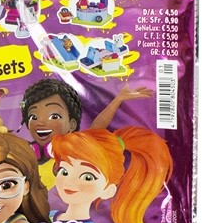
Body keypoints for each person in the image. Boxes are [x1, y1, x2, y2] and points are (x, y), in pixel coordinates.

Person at [20, 78, 153, 189]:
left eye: (54, 116)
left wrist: (118, 99)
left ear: (72, 124)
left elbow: (96, 128)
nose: (40, 123)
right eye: (33, 117)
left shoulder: (73, 151)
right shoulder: (31, 151)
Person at [51, 126, 173, 223]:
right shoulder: (50, 216)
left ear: (108, 191)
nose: (69, 181)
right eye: (64, 171)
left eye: (88, 177)